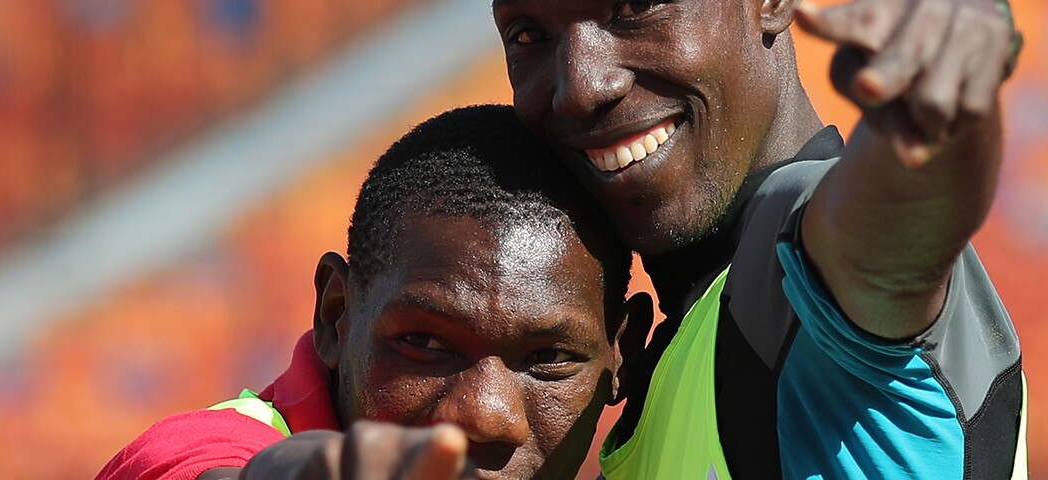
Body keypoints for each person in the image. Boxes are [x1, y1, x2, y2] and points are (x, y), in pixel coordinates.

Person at [487, 0, 1027, 478]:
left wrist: (942, 102)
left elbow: (883, 240)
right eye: (529, 34)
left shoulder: (797, 271)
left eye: (638, 6)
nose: (581, 87)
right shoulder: (680, 347)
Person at [95, 105, 653, 480]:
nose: (485, 414)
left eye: (549, 358)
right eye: (423, 341)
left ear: (620, 359)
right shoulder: (198, 451)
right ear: (336, 315)